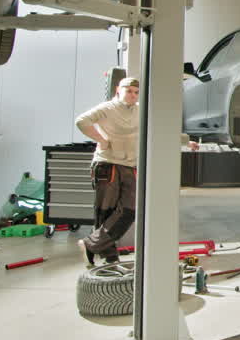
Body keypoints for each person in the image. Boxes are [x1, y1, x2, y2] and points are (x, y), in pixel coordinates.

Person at [74, 77, 196, 267]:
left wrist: (186, 142)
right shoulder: (107, 109)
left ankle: (91, 245)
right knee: (106, 212)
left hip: (130, 166)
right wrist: (101, 139)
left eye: (136, 92)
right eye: (128, 90)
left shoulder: (141, 110)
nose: (132, 95)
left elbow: (161, 128)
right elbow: (81, 121)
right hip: (107, 164)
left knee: (129, 210)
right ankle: (110, 258)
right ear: (118, 90)